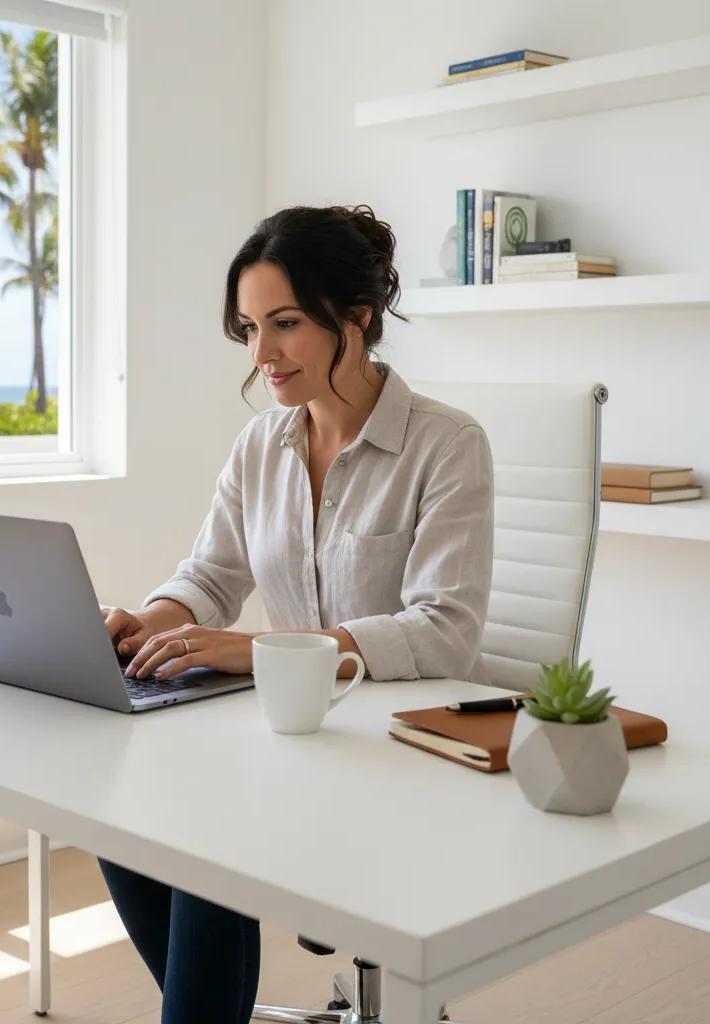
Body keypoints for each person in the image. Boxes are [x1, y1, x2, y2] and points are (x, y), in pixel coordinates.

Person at [99, 205, 493, 1024]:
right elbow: (209, 576)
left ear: (357, 318)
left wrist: (263, 650)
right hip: (290, 741)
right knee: (119, 816)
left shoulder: (447, 445)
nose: (262, 355)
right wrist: (148, 621)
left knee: (211, 847)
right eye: (249, 328)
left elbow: (444, 629)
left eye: (284, 323)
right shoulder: (261, 446)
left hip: (404, 751)